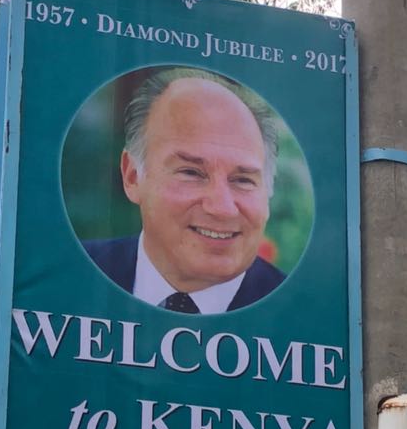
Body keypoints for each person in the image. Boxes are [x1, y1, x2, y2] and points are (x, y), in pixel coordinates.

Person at [85, 68, 285, 313]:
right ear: (133, 176)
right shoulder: (64, 280)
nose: (222, 208)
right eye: (191, 173)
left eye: (243, 180)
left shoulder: (312, 322)